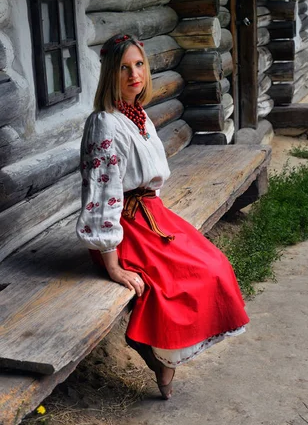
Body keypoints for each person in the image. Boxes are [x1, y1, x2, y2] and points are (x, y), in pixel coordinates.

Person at [76, 33, 249, 400]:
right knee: (177, 282)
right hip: (121, 226)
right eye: (123, 68)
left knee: (213, 264)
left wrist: (161, 218)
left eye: (139, 65)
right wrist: (112, 265)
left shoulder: (137, 116)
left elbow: (150, 181)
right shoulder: (105, 123)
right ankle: (153, 350)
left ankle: (159, 351)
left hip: (150, 215)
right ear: (110, 74)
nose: (134, 74)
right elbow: (102, 195)